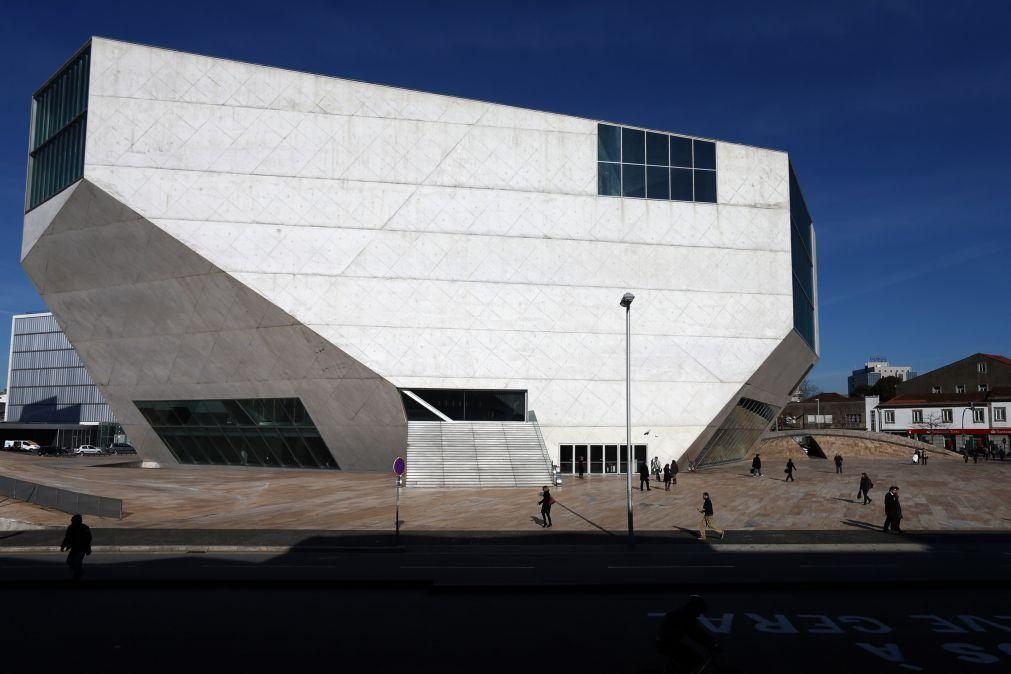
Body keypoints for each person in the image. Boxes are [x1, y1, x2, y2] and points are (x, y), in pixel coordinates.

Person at [656, 595, 717, 674]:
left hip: (666, 641)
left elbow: (697, 632)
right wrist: (710, 642)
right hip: (668, 643)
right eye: (700, 611)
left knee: (687, 659)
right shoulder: (686, 616)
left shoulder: (684, 613)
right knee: (695, 660)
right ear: (695, 607)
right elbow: (696, 633)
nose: (699, 614)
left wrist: (709, 639)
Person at [60, 513, 92, 581]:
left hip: (81, 549)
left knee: (77, 563)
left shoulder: (84, 528)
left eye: (73, 520)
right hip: (74, 548)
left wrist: (88, 549)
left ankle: (77, 576)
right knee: (69, 561)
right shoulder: (71, 527)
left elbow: (88, 539)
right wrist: (63, 546)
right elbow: (67, 537)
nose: (72, 521)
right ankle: (79, 573)